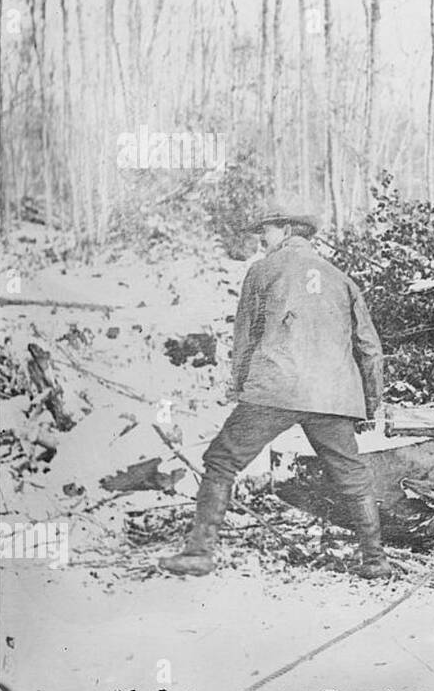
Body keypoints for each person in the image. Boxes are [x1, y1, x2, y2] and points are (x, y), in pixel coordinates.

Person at [160, 206, 390, 579]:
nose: (260, 240)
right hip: (331, 397)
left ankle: (200, 552)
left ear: (284, 230)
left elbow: (247, 337)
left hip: (274, 390)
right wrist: (369, 405)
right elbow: (370, 348)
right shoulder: (341, 278)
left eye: (264, 232)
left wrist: (240, 387)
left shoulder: (263, 271)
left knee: (221, 461)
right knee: (353, 476)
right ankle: (375, 560)